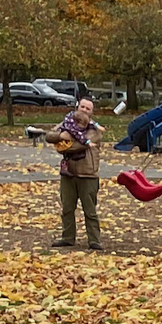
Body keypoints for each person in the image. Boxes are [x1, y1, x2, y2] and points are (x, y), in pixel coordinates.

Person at [50, 96, 103, 251]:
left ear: (92, 112)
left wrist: (63, 140)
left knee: (90, 211)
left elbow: (77, 146)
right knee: (67, 208)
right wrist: (61, 137)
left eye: (88, 108)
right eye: (82, 107)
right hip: (68, 173)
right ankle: (67, 237)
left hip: (88, 175)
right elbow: (49, 136)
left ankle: (94, 240)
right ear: (77, 107)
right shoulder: (66, 123)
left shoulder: (95, 131)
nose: (84, 110)